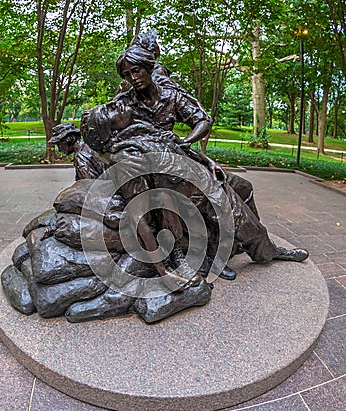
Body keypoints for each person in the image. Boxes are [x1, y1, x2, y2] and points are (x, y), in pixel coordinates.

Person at [80, 41, 309, 292]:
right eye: (126, 74)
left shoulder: (171, 95)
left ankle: (240, 246)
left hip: (180, 156)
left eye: (136, 71)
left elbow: (201, 120)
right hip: (165, 172)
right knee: (221, 202)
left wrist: (190, 146)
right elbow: (104, 130)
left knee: (243, 187)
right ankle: (246, 250)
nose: (132, 79)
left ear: (148, 67)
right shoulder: (124, 105)